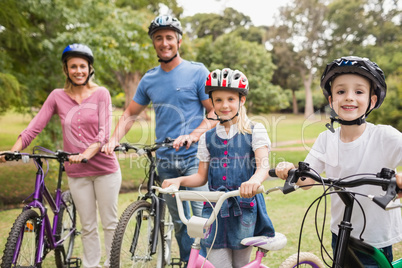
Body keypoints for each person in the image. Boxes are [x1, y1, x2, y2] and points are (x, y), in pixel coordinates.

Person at [101, 15, 216, 263]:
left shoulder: (197, 72)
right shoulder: (149, 79)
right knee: (178, 223)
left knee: (199, 221)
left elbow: (214, 112)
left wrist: (194, 134)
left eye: (169, 38)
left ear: (179, 41)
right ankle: (189, 263)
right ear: (153, 43)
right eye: (158, 38)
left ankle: (207, 263)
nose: (164, 43)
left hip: (194, 159)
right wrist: (113, 139)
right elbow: (130, 113)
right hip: (165, 162)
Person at [0, 43, 122, 268]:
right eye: (73, 66)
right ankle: (90, 265)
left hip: (105, 170)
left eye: (82, 66)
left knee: (110, 223)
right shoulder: (57, 96)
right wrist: (14, 149)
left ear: (90, 68)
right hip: (77, 172)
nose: (78, 71)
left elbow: (104, 133)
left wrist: (86, 152)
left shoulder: (101, 93)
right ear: (66, 69)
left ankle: (112, 265)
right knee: (87, 226)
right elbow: (34, 127)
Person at [274, 56, 402, 267]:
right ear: (331, 100)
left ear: (372, 101)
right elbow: (307, 179)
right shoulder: (326, 139)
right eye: (341, 91)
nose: (349, 98)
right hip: (341, 230)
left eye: (359, 91)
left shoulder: (385, 136)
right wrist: (291, 171)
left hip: (376, 236)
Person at [162, 68, 276, 267]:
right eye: (219, 100)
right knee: (218, 262)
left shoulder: (254, 130)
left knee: (241, 264)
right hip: (214, 211)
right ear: (212, 104)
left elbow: (263, 168)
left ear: (242, 101)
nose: (225, 105)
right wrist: (178, 181)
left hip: (244, 209)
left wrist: (253, 181)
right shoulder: (208, 137)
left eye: (231, 99)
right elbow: (200, 177)